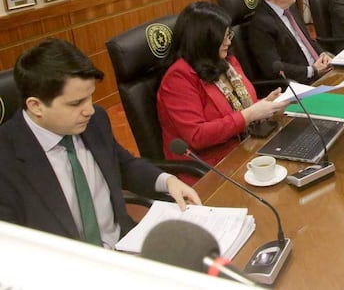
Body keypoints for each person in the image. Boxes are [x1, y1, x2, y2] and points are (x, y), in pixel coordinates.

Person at [0, 39, 200, 247]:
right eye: (76, 103)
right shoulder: (6, 159)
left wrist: (167, 181)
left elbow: (123, 165)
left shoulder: (95, 122)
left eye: (90, 98)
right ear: (36, 106)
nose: (90, 110)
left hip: (125, 245)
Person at [157, 2, 289, 181]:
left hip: (248, 148)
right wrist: (249, 115)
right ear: (204, 39)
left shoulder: (227, 61)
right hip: (210, 169)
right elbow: (196, 135)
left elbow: (242, 107)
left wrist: (266, 105)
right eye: (224, 36)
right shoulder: (179, 78)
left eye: (229, 34)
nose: (229, 41)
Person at [249, 0, 333, 83]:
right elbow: (273, 67)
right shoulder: (260, 25)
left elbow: (307, 40)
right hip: (301, 82)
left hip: (320, 70)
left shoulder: (290, 8)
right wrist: (311, 70)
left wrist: (322, 54)